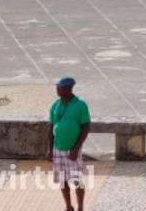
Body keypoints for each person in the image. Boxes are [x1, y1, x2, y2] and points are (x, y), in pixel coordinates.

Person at [47, 77, 90, 211]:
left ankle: (80, 207)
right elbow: (51, 127)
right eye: (57, 87)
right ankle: (68, 206)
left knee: (76, 180)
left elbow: (86, 127)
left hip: (73, 149)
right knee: (62, 180)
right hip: (58, 149)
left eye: (59, 88)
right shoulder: (55, 105)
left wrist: (76, 148)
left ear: (68, 89)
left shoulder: (80, 105)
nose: (57, 90)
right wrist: (50, 148)